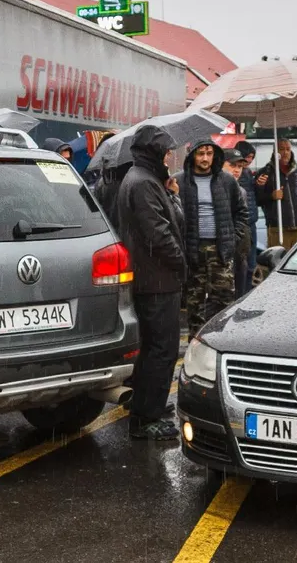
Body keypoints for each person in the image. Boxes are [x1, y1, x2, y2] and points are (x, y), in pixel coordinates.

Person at [115, 126, 187, 441]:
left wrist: (170, 193)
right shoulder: (142, 183)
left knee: (155, 349)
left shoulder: (148, 181)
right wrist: (180, 263)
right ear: (154, 153)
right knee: (161, 349)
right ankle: (146, 419)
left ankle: (150, 408)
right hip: (156, 280)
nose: (170, 157)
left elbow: (169, 221)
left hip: (155, 277)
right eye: (166, 152)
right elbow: (158, 233)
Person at [176, 139, 249, 336]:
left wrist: (233, 237)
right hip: (193, 249)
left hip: (221, 249)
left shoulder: (226, 180)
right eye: (201, 154)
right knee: (194, 301)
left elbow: (241, 212)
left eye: (209, 153)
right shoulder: (180, 181)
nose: (205, 158)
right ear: (192, 156)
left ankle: (220, 338)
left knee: (224, 298)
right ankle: (195, 341)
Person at [255, 139, 297, 249]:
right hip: (277, 228)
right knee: (278, 260)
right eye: (281, 149)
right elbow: (257, 200)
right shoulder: (265, 173)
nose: (285, 152)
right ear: (275, 152)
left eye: (288, 149)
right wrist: (271, 196)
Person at [222, 148, 255, 298]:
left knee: (240, 293)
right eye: (232, 165)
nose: (236, 170)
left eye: (240, 167)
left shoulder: (242, 191)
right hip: (223, 252)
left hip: (240, 251)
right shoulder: (215, 189)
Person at [232, 142, 260, 294]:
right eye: (247, 157)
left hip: (251, 222)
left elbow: (255, 196)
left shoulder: (248, 173)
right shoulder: (229, 179)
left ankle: (246, 295)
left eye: (251, 158)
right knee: (239, 267)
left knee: (250, 265)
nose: (249, 161)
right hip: (239, 225)